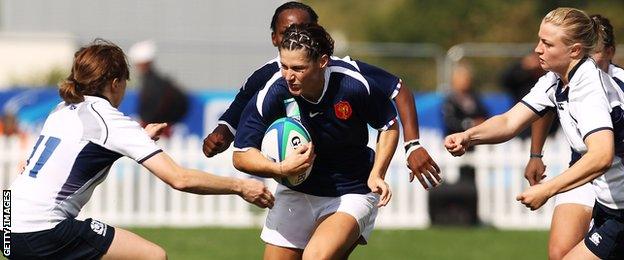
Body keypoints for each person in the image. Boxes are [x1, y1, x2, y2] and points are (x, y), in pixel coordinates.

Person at [8, 40, 274, 260]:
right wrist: (241, 187)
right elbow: (179, 179)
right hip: (42, 229)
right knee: (152, 256)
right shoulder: (109, 120)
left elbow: (72, 153)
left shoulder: (62, 109)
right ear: (115, 83)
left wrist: (139, 137)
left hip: (7, 222)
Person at [444, 7, 624, 259]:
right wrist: (468, 135)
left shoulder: (589, 89)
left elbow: (602, 156)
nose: (538, 49)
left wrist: (547, 189)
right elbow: (509, 121)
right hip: (611, 201)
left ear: (574, 50)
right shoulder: (556, 79)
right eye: (539, 40)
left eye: (547, 43)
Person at [203, 1, 441, 189]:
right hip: (297, 181)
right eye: (287, 32)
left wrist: (412, 145)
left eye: (303, 29)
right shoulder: (268, 76)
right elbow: (244, 102)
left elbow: (398, 89)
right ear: (275, 37)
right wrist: (224, 129)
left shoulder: (343, 72)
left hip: (346, 181)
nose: (295, 37)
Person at [233, 23, 397, 259]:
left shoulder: (352, 84)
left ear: (322, 62)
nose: (289, 76)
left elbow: (389, 124)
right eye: (284, 66)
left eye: (298, 68)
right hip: (296, 192)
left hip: (351, 190)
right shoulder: (274, 92)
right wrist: (279, 168)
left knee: (315, 257)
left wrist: (378, 173)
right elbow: (241, 154)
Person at [523, 14, 623, 260]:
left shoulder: (606, 83)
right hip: (583, 168)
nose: (588, 61)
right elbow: (542, 110)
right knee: (559, 253)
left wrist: (547, 190)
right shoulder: (562, 78)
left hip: (610, 173)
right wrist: (536, 154)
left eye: (595, 55)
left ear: (610, 52)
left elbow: (603, 156)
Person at [129, 40, 189, 136]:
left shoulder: (154, 84)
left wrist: (151, 122)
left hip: (157, 130)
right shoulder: (154, 81)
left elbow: (154, 109)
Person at [500, 52, 551, 139]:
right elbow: (505, 81)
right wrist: (522, 67)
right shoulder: (523, 78)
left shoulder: (552, 78)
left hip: (551, 135)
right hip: (523, 131)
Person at [442, 61, 488, 136]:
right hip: (455, 139)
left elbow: (484, 115)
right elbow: (450, 121)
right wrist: (471, 124)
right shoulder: (450, 99)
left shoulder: (475, 97)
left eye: (467, 78)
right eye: (462, 78)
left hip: (474, 139)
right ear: (454, 80)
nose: (465, 81)